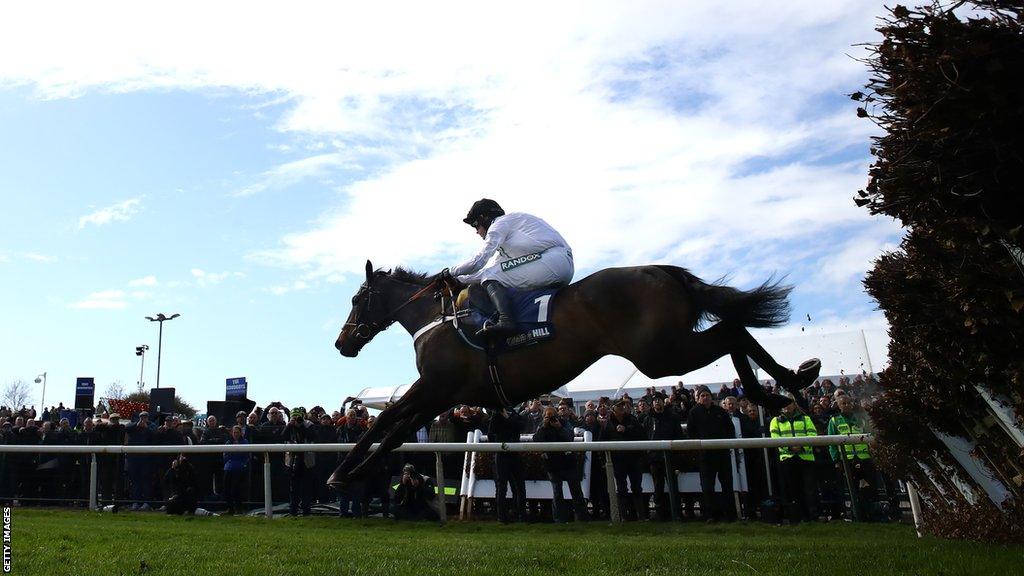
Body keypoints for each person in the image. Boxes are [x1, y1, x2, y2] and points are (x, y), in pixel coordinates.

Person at [440, 198, 574, 335]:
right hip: (557, 263)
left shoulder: (499, 224)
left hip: (554, 260)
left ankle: (506, 321)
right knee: (491, 275)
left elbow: (479, 261)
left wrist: (450, 272)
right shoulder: (509, 240)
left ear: (484, 218)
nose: (477, 231)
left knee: (490, 276)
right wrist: (459, 280)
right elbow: (489, 271)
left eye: (475, 225)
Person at [686, 388, 737, 522]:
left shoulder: (720, 411)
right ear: (698, 398)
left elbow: (730, 429)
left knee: (727, 485)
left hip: (722, 454)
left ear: (711, 396)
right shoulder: (694, 412)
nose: (705, 397)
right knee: (708, 487)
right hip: (705, 457)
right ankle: (711, 515)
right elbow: (691, 433)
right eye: (702, 395)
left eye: (707, 395)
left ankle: (731, 515)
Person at [532, 407, 588, 523]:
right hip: (552, 465)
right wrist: (544, 426)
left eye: (553, 416)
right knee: (557, 493)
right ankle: (559, 520)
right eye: (548, 417)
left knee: (576, 491)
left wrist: (559, 427)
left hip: (568, 463)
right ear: (544, 417)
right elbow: (536, 439)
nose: (551, 419)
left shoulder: (564, 423)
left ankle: (582, 518)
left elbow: (570, 437)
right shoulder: (542, 426)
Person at [828, 395, 879, 521]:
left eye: (848, 403)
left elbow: (871, 436)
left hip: (865, 458)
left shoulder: (861, 419)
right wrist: (836, 460)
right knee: (853, 489)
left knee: (869, 488)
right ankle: (857, 516)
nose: (846, 405)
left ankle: (872, 515)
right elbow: (832, 444)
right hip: (847, 460)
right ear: (838, 406)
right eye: (843, 403)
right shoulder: (834, 421)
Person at [770, 400, 819, 523]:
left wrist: (802, 447)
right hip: (787, 459)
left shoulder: (806, 419)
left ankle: (812, 518)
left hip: (806, 459)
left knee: (810, 489)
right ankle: (795, 518)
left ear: (794, 405)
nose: (786, 405)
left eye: (789, 403)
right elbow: (775, 438)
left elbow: (813, 434)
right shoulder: (775, 420)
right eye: (784, 403)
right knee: (792, 490)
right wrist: (789, 447)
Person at [602, 400, 645, 521]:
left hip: (634, 459)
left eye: (623, 405)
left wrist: (626, 429)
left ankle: (641, 516)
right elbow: (602, 442)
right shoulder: (608, 424)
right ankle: (624, 516)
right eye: (619, 406)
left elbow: (641, 434)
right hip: (618, 461)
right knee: (621, 488)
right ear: (613, 409)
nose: (622, 407)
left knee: (637, 487)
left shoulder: (632, 419)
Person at [644, 397, 683, 521]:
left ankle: (676, 513)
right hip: (655, 458)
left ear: (663, 402)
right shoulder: (648, 419)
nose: (657, 402)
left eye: (659, 399)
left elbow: (679, 435)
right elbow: (645, 437)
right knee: (658, 487)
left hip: (670, 457)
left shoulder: (672, 417)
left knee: (673, 486)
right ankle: (661, 515)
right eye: (654, 400)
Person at [487, 407, 526, 523]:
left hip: (514, 454)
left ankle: (521, 515)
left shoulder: (514, 414)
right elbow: (490, 434)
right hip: (501, 455)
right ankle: (502, 516)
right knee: (501, 487)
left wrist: (508, 418)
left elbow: (521, 427)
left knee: (519, 487)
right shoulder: (496, 416)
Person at [223, 425, 249, 515]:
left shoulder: (245, 442)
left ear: (240, 433)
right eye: (234, 432)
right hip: (229, 468)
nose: (235, 434)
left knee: (236, 489)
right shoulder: (228, 442)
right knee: (227, 489)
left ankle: (238, 508)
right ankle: (230, 509)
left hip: (239, 469)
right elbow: (225, 455)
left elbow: (245, 455)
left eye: (237, 432)